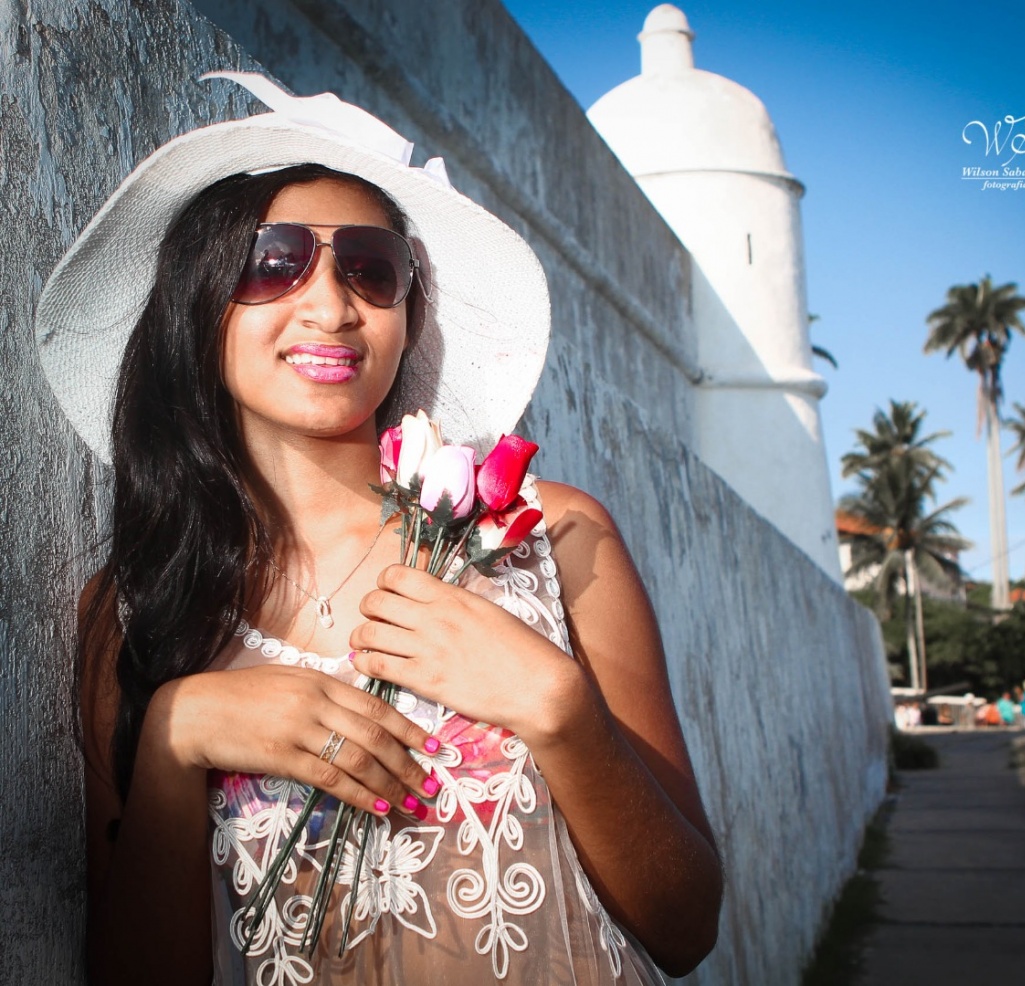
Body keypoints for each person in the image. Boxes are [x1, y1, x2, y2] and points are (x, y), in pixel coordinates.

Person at [37, 73, 722, 985]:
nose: (330, 305)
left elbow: (686, 928)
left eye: (371, 267)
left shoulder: (550, 542)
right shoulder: (134, 616)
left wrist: (561, 711)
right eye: (270, 260)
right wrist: (174, 738)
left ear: (407, 317)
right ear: (197, 305)